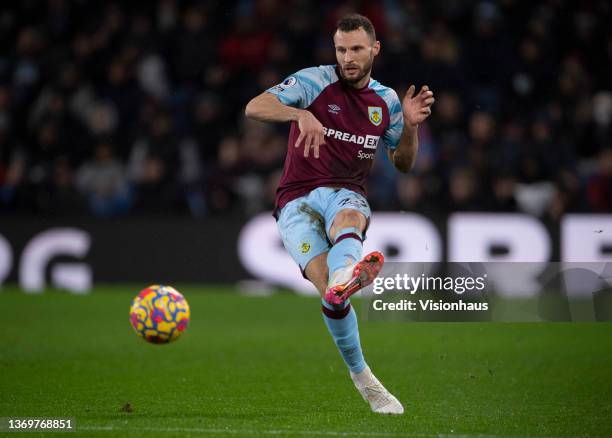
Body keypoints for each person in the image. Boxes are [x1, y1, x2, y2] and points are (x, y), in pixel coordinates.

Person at [245, 13, 434, 415]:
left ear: (374, 49)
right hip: (294, 201)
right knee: (331, 297)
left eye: (356, 50)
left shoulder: (387, 102)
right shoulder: (314, 81)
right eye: (341, 49)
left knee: (348, 220)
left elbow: (402, 163)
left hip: (346, 193)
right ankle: (361, 371)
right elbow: (254, 107)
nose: (348, 58)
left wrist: (412, 128)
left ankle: (368, 376)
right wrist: (300, 113)